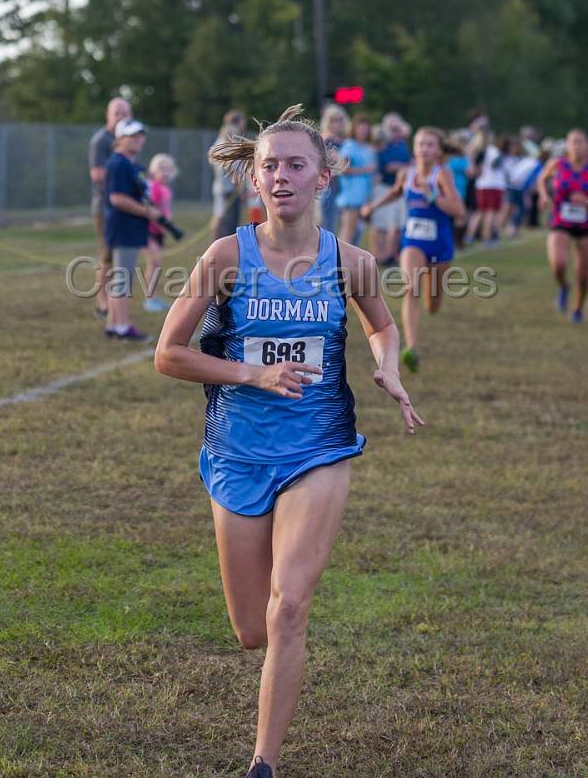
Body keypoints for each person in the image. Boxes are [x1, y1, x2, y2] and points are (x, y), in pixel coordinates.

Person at [153, 105, 422, 778]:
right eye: (269, 165)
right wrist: (252, 372)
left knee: (290, 604)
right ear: (254, 179)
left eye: (295, 165)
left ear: (324, 178)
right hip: (238, 452)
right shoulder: (224, 257)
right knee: (251, 630)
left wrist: (386, 364)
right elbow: (167, 354)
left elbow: (382, 327)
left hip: (319, 449)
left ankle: (263, 763)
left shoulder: (349, 261)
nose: (280, 177)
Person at [361, 126, 465, 373]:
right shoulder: (406, 174)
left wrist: (433, 197)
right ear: (414, 148)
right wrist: (372, 206)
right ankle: (411, 347)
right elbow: (396, 192)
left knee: (433, 304)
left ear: (439, 151)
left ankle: (425, 318)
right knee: (411, 288)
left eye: (430, 145)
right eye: (420, 144)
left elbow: (459, 211)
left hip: (440, 243)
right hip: (414, 241)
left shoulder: (442, 175)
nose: (424, 149)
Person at [104, 119, 164, 341]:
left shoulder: (134, 165)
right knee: (123, 279)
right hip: (123, 228)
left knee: (122, 277)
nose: (138, 139)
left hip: (133, 228)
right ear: (120, 138)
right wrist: (147, 212)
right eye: (132, 135)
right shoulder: (118, 163)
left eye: (141, 135)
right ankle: (122, 326)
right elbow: (118, 199)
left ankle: (113, 324)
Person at [540, 129, 588, 323]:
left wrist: (587, 201)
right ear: (567, 145)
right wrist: (544, 197)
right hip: (560, 220)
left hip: (586, 225)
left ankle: (578, 309)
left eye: (580, 142)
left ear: (587, 146)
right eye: (573, 142)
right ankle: (563, 286)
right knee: (558, 265)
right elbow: (541, 180)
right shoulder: (557, 164)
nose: (577, 146)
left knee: (583, 276)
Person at [90, 98, 133, 319]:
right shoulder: (101, 140)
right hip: (105, 207)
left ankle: (117, 305)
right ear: (107, 115)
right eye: (116, 112)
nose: (120, 116)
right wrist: (122, 176)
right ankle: (102, 302)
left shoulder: (128, 140)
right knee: (107, 255)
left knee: (123, 257)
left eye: (124, 113)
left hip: (125, 207)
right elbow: (96, 174)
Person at [371, 113, 411, 267]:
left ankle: (390, 255)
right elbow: (389, 166)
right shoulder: (382, 144)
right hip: (383, 188)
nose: (395, 132)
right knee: (381, 224)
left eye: (397, 129)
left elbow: (407, 161)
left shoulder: (401, 144)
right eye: (392, 129)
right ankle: (378, 255)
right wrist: (406, 167)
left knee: (398, 224)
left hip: (399, 188)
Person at [334, 114, 376, 246]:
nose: (363, 130)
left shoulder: (369, 148)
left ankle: (350, 260)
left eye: (366, 128)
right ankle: (338, 258)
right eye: (360, 127)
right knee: (348, 229)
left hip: (364, 196)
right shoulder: (349, 146)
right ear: (354, 129)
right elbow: (343, 169)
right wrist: (365, 170)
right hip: (351, 195)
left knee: (358, 231)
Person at [143, 152, 177, 313]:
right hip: (148, 230)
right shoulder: (153, 187)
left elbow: (165, 209)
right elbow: (149, 209)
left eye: (168, 169)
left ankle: (154, 297)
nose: (165, 172)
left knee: (157, 264)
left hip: (159, 232)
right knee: (154, 262)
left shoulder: (166, 188)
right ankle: (149, 300)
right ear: (154, 170)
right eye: (161, 169)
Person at [208, 110, 247, 243]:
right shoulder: (230, 134)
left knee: (219, 215)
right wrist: (237, 184)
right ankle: (222, 244)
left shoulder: (220, 137)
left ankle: (217, 243)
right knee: (227, 221)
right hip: (228, 189)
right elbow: (229, 163)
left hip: (221, 187)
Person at [317, 106, 347, 234]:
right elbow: (335, 161)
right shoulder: (325, 140)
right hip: (329, 186)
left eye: (340, 120)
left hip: (343, 187)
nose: (337, 123)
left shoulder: (344, 140)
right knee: (329, 226)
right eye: (333, 120)